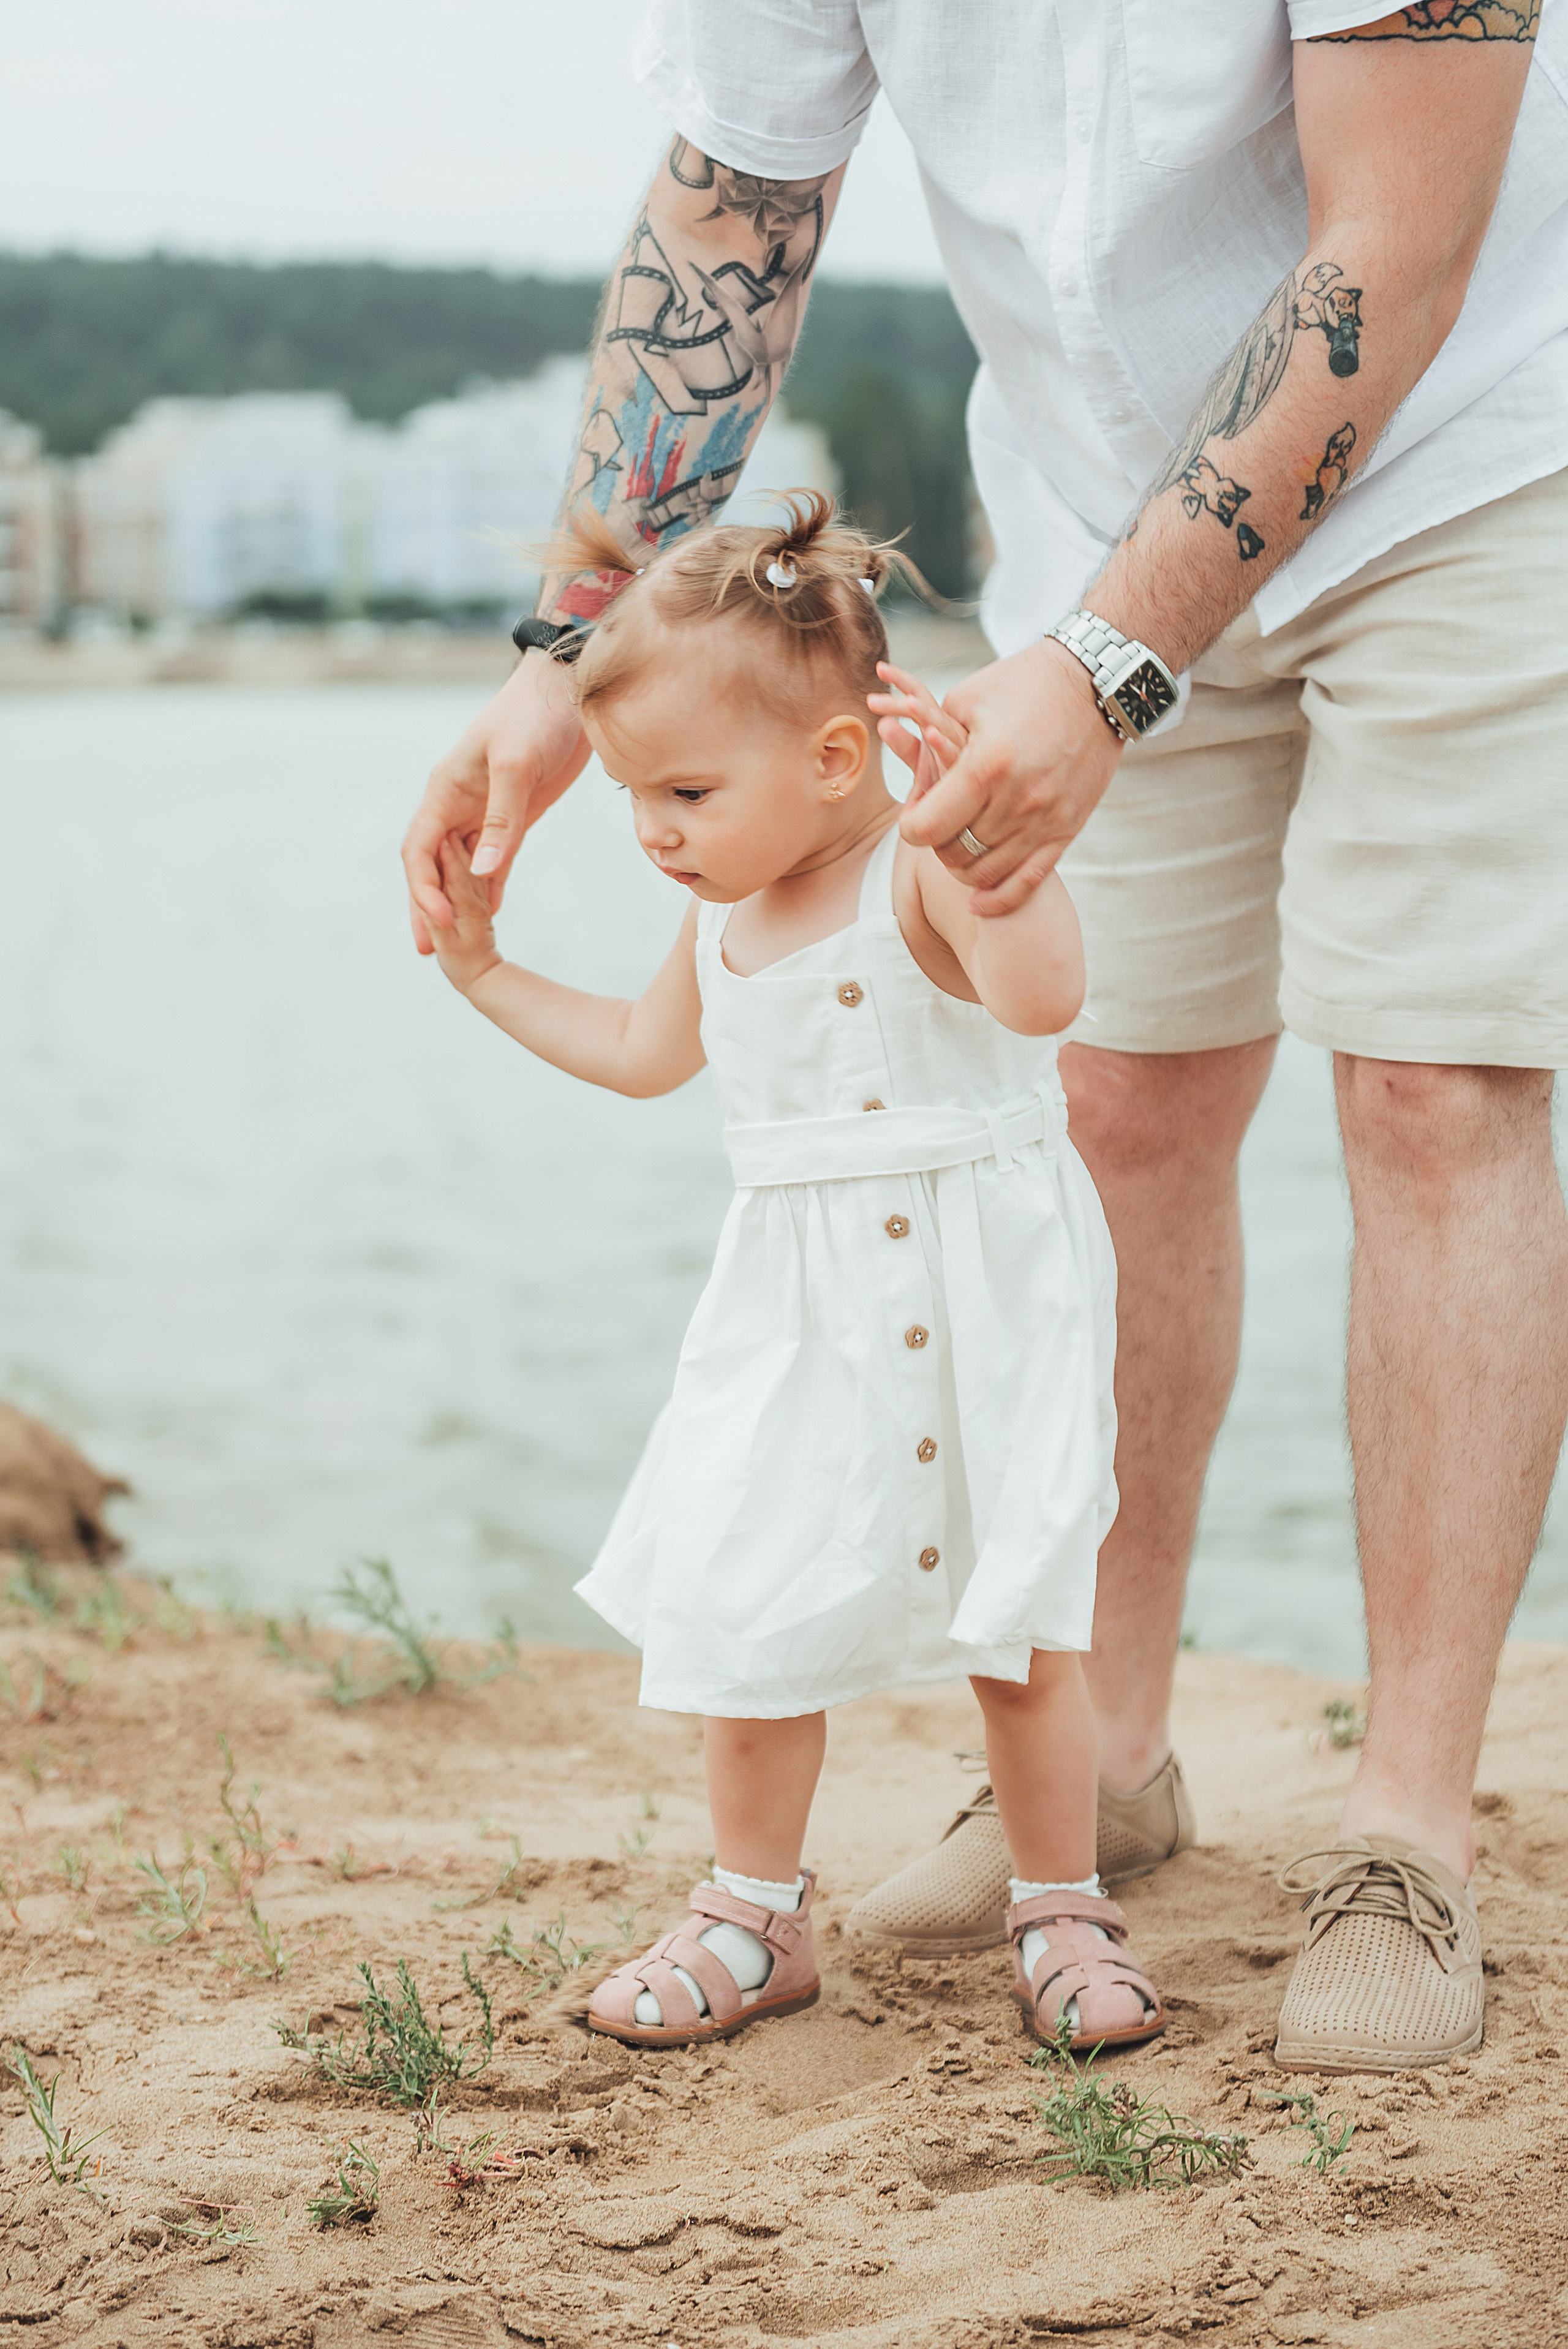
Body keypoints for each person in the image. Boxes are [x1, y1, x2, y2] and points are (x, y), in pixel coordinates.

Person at [404, 6, 1568, 2072]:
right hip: (1096, 483)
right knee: (1110, 1092)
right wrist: (571, 649)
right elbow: (737, 202)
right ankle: (1103, 1773)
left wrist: (1112, 666)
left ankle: (1405, 1829)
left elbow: (1397, 233)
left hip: (1474, 459)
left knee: (1431, 1080)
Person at [425, 492, 1165, 2054]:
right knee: (744, 1608)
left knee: (1019, 1618)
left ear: (836, 759)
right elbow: (636, 1058)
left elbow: (1045, 1000)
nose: (655, 833)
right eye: (635, 797)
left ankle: (1059, 1898)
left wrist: (985, 838)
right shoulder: (722, 931)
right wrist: (485, 970)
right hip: (792, 1316)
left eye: (684, 791)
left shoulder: (920, 874)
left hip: (984, 1295)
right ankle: (754, 1907)